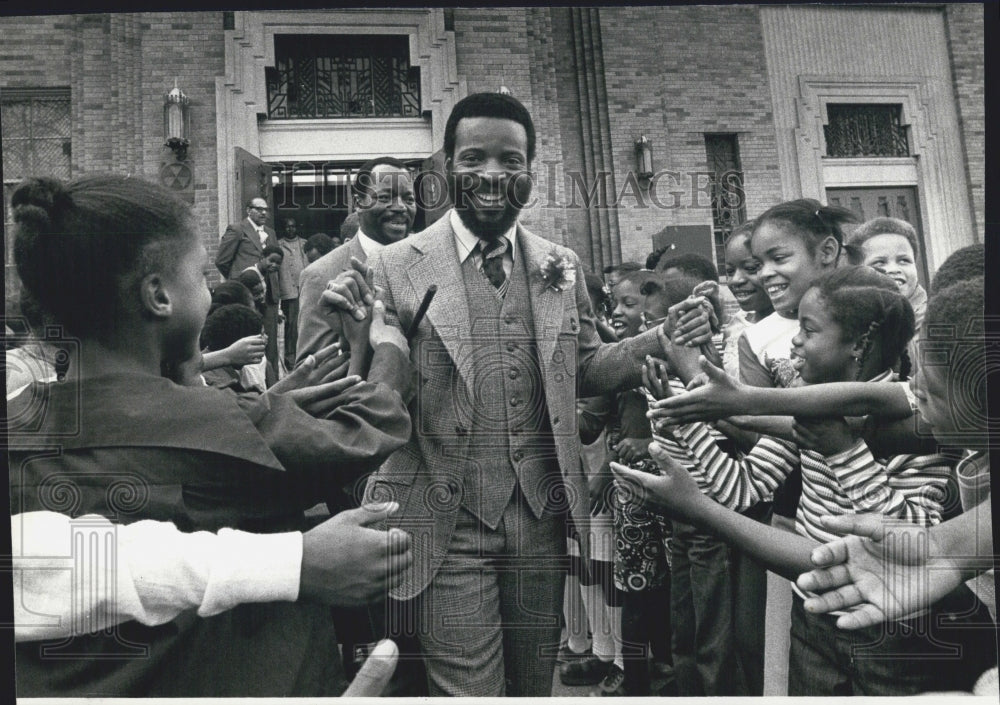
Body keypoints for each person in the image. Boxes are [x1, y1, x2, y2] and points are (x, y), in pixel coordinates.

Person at [320, 92, 675, 697]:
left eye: (511, 160)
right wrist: (359, 340)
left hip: (540, 517)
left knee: (534, 685)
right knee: (469, 691)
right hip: (446, 521)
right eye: (473, 158)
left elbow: (585, 368)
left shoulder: (559, 263)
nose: (492, 175)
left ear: (530, 170)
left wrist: (661, 340)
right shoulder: (396, 266)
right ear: (446, 168)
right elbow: (372, 389)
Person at [7, 174, 415, 697]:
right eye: (201, 275)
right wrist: (389, 352)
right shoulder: (215, 424)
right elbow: (364, 432)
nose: (208, 290)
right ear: (158, 295)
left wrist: (263, 402)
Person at [615, 267, 996, 695]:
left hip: (897, 629)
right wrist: (680, 418)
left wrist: (845, 453)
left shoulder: (919, 424)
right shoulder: (807, 408)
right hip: (815, 613)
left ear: (858, 346)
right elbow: (741, 489)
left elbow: (913, 537)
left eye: (809, 330)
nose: (795, 341)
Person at [296, 157, 416, 366]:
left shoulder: (429, 262)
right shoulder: (320, 275)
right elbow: (309, 371)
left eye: (409, 199)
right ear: (359, 203)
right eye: (385, 197)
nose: (400, 207)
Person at [242, 245, 284, 385]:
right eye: (271, 260)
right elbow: (247, 302)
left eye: (278, 263)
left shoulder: (263, 274)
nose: (275, 265)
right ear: (261, 258)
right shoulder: (250, 275)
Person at [216, 196, 280, 280]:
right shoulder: (237, 229)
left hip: (269, 284)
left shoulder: (271, 233)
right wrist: (237, 278)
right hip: (246, 284)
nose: (264, 212)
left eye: (266, 209)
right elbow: (221, 261)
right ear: (248, 210)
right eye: (259, 209)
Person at [278, 216, 309, 369]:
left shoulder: (304, 244)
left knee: (305, 323)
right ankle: (291, 357)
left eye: (293, 226)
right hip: (289, 292)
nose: (291, 229)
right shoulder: (279, 245)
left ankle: (304, 354)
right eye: (287, 226)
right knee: (291, 325)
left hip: (304, 290)